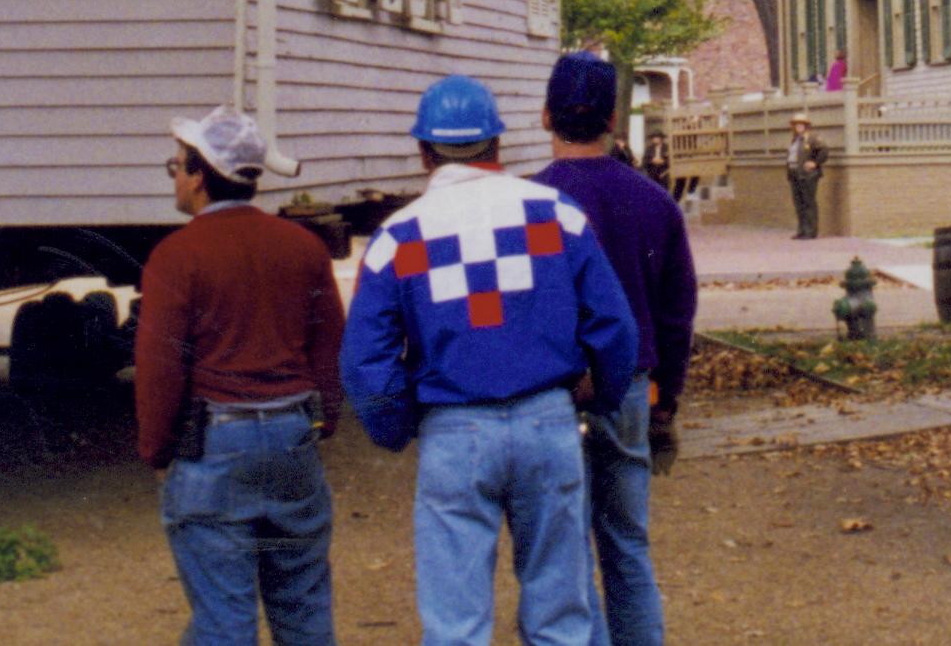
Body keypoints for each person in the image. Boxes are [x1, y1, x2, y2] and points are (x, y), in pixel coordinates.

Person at [342, 75, 640, 646]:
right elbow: (615, 328)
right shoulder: (557, 212)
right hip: (548, 423)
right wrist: (596, 396)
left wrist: (398, 426)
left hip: (454, 433)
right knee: (561, 618)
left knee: (456, 627)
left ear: (424, 150)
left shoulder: (397, 236)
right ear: (498, 144)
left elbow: (367, 362)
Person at [136, 106, 347, 646]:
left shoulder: (176, 255)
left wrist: (157, 450)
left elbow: (160, 369)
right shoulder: (303, 247)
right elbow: (330, 347)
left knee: (224, 620)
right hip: (292, 435)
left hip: (215, 444)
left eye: (177, 166)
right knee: (303, 609)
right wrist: (325, 420)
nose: (175, 177)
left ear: (200, 174)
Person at [535, 53, 699, 646]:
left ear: (545, 115)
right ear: (612, 119)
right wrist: (666, 403)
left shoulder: (527, 206)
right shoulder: (655, 203)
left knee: (564, 546)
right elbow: (676, 314)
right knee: (628, 542)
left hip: (552, 392)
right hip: (631, 384)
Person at [784, 114, 830, 239]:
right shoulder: (795, 139)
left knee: (808, 202)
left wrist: (814, 163)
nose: (798, 126)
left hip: (807, 175)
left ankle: (810, 231)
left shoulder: (812, 138)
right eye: (796, 124)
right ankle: (802, 230)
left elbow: (824, 150)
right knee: (798, 203)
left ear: (806, 126)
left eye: (801, 124)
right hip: (795, 174)